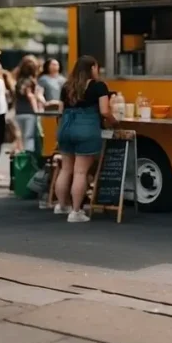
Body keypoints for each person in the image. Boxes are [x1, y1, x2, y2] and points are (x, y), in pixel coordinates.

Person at [54, 55, 117, 223]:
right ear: (92, 68)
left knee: (66, 169)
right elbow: (104, 111)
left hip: (65, 129)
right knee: (80, 172)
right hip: (86, 129)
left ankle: (61, 206)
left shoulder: (66, 86)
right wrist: (114, 122)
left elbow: (60, 112)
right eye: (96, 67)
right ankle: (76, 212)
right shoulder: (99, 86)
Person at [14, 55, 44, 155]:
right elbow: (30, 96)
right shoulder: (30, 81)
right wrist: (36, 111)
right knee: (29, 137)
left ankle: (22, 160)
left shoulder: (18, 80)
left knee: (22, 137)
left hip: (19, 112)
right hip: (29, 112)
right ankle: (29, 160)